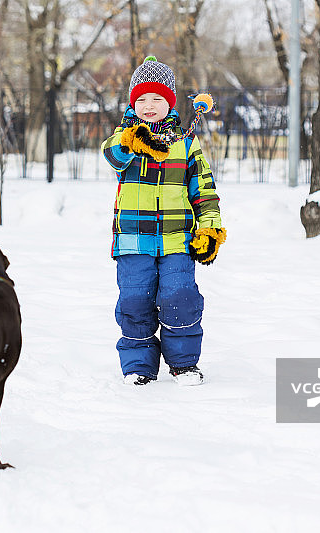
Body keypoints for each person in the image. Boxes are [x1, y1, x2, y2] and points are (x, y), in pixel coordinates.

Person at [101, 56, 226, 386]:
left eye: (157, 98)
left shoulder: (186, 141)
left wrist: (210, 227)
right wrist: (131, 140)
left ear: (169, 102)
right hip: (133, 241)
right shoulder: (123, 138)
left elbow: (204, 190)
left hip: (177, 240)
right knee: (134, 301)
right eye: (141, 99)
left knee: (179, 297)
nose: (149, 105)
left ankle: (184, 364)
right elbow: (111, 154)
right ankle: (139, 366)